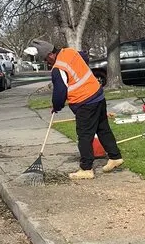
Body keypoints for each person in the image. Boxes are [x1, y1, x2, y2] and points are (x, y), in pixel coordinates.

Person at [47, 45, 123, 180]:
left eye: (47, 60)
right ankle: (115, 157)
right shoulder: (69, 51)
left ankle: (86, 168)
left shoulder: (58, 68)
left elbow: (60, 92)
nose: (48, 63)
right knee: (103, 128)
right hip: (98, 95)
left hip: (85, 102)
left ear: (50, 55)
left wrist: (56, 106)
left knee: (84, 135)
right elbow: (84, 57)